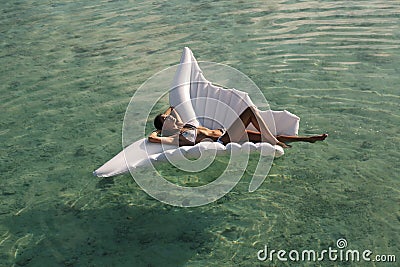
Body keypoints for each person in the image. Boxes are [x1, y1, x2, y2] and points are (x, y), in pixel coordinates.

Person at [148, 106, 327, 148]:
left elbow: (172, 107)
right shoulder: (173, 136)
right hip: (221, 140)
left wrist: (165, 117)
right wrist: (159, 130)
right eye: (166, 119)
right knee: (249, 112)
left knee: (266, 137)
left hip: (226, 133)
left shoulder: (181, 125)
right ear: (164, 128)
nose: (170, 116)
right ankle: (277, 143)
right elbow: (152, 138)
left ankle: (307, 138)